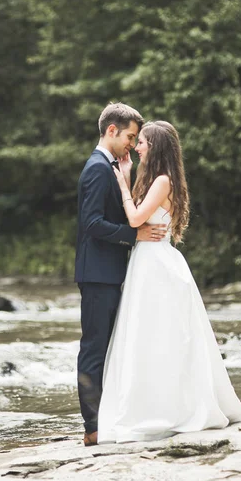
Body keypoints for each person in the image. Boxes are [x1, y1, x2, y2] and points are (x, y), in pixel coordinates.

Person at [97, 121, 241, 444]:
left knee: (162, 336)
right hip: (147, 261)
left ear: (156, 147)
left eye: (143, 142)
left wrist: (122, 184)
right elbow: (137, 218)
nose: (137, 147)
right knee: (149, 336)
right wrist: (130, 179)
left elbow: (136, 219)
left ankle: (171, 407)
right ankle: (153, 401)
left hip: (156, 265)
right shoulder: (153, 179)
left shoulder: (163, 181)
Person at [75, 104, 167, 447]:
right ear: (111, 131)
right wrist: (136, 236)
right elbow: (93, 224)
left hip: (109, 272)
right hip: (98, 274)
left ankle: (108, 419)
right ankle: (92, 427)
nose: (132, 143)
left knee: (110, 348)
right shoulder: (97, 169)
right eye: (130, 136)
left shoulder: (112, 167)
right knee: (95, 349)